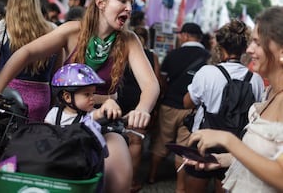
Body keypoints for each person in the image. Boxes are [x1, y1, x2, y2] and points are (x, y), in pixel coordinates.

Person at [0, 0, 160, 193]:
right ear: (100, 3)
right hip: (64, 123)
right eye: (122, 0)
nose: (129, 8)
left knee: (120, 180)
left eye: (131, 3)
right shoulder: (72, 30)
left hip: (102, 125)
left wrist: (143, 109)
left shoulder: (129, 40)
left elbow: (151, 85)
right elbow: (26, 53)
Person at [185, 7, 283, 192]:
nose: (249, 49)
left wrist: (228, 140)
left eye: (257, 42)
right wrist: (222, 160)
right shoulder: (269, 92)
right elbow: (265, 156)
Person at [148, 22, 210, 192]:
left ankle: (152, 175)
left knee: (161, 141)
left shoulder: (173, 54)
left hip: (169, 105)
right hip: (192, 109)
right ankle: (180, 187)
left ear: (185, 35)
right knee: (183, 148)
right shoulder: (208, 57)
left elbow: (162, 80)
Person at [0, 0, 61, 121]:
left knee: (5, 139)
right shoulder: (53, 29)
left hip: (6, 96)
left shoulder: (3, 27)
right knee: (32, 139)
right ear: (35, 2)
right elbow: (57, 73)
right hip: (40, 98)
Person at [117, 25, 161, 192]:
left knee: (112, 137)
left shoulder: (120, 48)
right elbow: (156, 81)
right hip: (140, 99)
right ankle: (131, 182)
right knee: (135, 141)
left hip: (119, 98)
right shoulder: (151, 55)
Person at [45, 63, 121, 125]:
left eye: (93, 94)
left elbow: (99, 113)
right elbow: (46, 132)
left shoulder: (89, 115)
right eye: (87, 94)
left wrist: (110, 103)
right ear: (67, 97)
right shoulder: (54, 114)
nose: (92, 98)